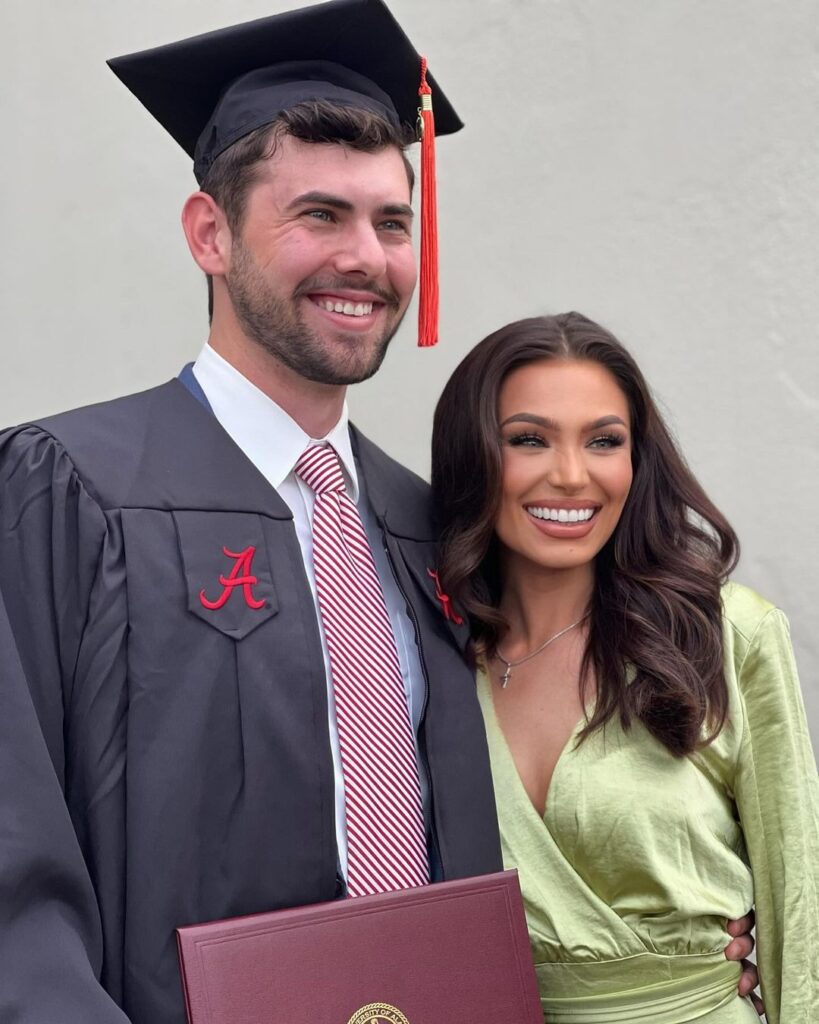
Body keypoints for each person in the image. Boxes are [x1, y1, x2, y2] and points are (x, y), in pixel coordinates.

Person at [0, 3, 503, 1022]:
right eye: (319, 215)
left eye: (391, 221)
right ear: (210, 234)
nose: (365, 256)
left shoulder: (424, 524)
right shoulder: (68, 487)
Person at [430, 312, 819, 1023]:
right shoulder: (425, 651)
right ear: (473, 456)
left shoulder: (723, 634)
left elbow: (801, 905)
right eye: (527, 440)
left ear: (636, 461)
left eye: (603, 441)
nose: (572, 475)